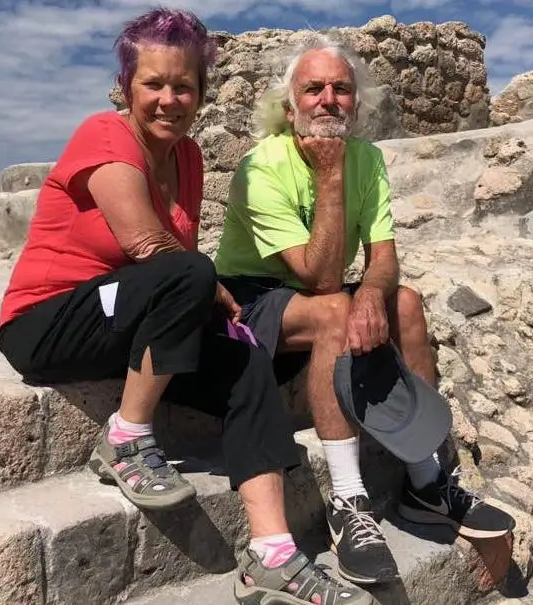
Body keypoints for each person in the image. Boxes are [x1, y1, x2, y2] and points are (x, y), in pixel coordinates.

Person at [0, 10, 375, 605]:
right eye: (155, 84)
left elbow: (173, 273)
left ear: (201, 92)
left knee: (244, 361)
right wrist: (214, 294)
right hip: (48, 321)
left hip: (130, 323)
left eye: (184, 86)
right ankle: (126, 436)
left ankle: (272, 555)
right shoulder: (105, 134)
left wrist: (220, 321)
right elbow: (148, 247)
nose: (170, 99)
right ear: (128, 87)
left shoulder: (189, 157)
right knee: (192, 273)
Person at [215, 32, 515, 585]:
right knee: (333, 307)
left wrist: (373, 294)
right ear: (290, 106)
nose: (329, 100)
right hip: (252, 299)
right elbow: (320, 277)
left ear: (356, 101)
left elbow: (383, 257)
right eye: (314, 89)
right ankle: (348, 500)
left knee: (405, 304)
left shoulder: (368, 158)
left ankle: (426, 482)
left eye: (341, 89)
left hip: (318, 291)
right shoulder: (263, 165)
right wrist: (329, 174)